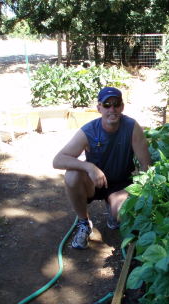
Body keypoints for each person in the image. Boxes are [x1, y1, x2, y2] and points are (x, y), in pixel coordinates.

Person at [53, 87, 151, 249]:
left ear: (122, 106)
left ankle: (115, 213)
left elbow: (147, 166)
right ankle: (84, 222)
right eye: (107, 105)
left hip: (120, 185)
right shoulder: (89, 131)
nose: (112, 109)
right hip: (94, 182)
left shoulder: (132, 127)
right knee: (71, 175)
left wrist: (145, 196)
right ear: (99, 108)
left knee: (123, 215)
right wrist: (89, 167)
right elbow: (58, 160)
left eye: (116, 104)